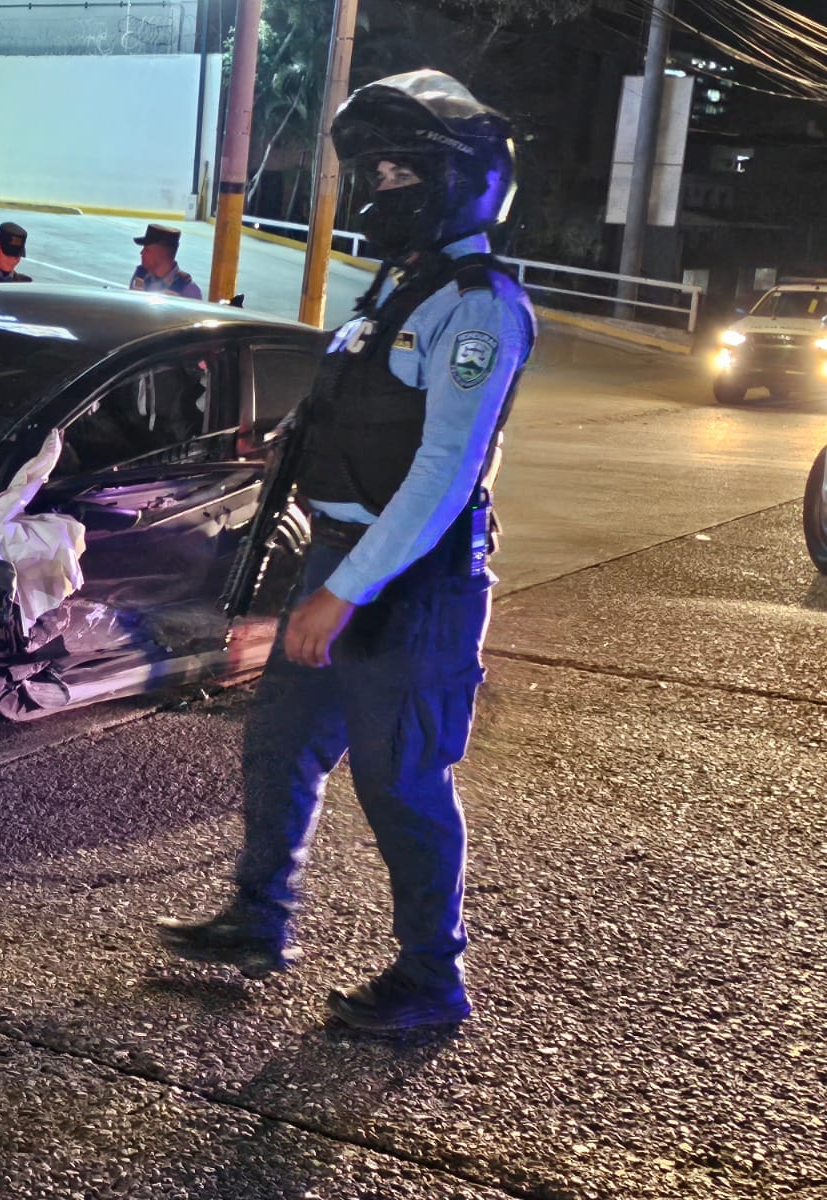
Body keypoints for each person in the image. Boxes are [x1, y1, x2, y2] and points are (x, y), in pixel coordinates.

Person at [155, 69, 535, 1033]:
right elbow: (353, 416)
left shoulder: (480, 308)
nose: (380, 185)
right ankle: (258, 919)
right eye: (372, 167)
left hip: (414, 582)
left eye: (400, 168)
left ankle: (430, 982)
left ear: (457, 179)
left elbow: (444, 472)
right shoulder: (395, 292)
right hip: (335, 557)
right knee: (282, 742)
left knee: (402, 779)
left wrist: (346, 592)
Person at [128, 223, 202, 299]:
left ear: (161, 254)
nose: (141, 253)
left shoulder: (189, 290)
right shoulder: (140, 276)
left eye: (147, 250)